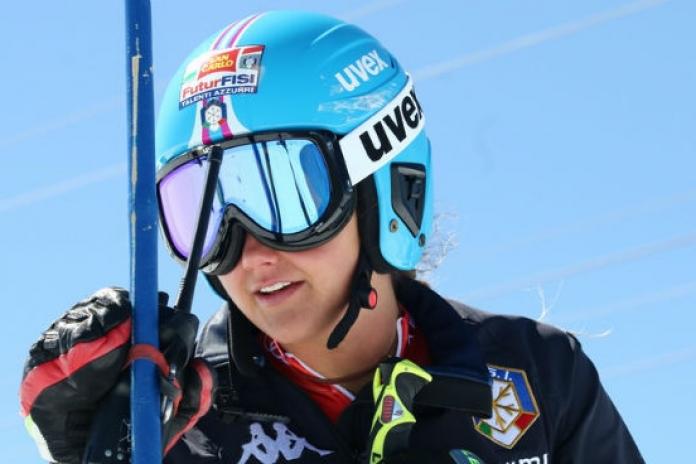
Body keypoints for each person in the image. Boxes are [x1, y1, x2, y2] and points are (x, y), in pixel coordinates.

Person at [20, 10, 644, 464]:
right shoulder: (180, 426)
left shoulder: (537, 376)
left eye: (284, 197)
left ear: (388, 190)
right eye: (202, 213)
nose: (248, 252)